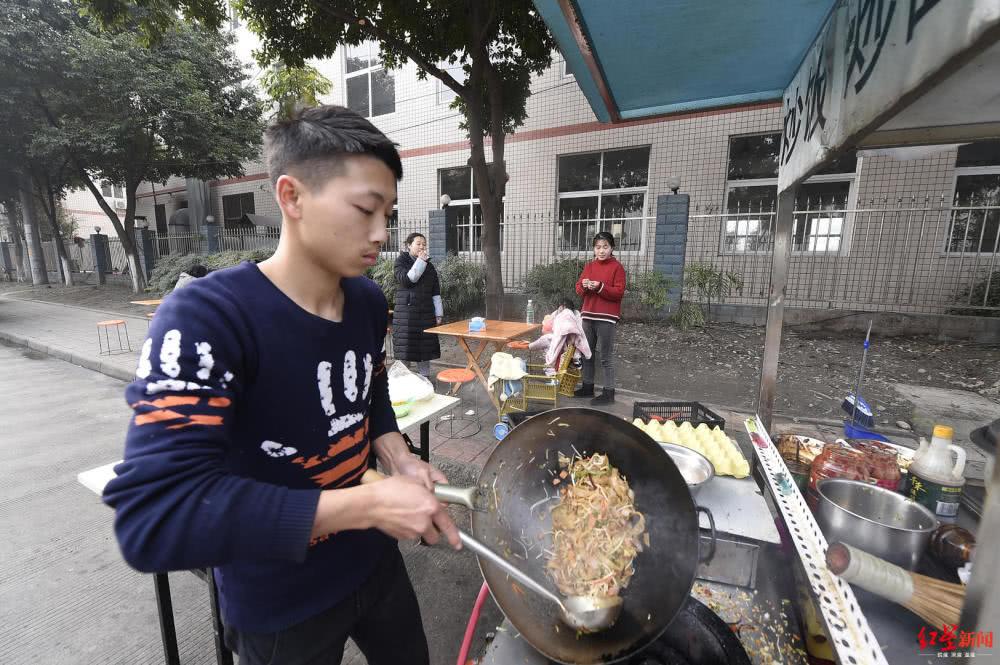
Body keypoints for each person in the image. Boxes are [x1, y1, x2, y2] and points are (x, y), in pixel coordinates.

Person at [101, 105, 460, 665]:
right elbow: (156, 515)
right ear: (291, 197)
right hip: (278, 601)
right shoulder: (209, 318)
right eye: (366, 209)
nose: (382, 234)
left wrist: (397, 453)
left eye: (388, 213)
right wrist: (364, 505)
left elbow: (368, 390)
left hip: (373, 563)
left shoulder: (365, 300)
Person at [574, 231, 626, 405]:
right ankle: (587, 386)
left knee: (606, 356)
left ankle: (609, 392)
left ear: (612, 248)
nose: (601, 251)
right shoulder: (589, 266)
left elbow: (618, 293)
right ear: (594, 249)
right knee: (586, 354)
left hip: (607, 318)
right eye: (598, 247)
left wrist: (600, 286)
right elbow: (579, 290)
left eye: (605, 247)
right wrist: (584, 285)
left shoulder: (617, 267)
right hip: (588, 315)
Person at [392, 233, 442, 378]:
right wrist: (420, 261)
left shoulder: (429, 266)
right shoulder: (401, 261)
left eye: (424, 244)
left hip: (426, 313)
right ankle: (402, 380)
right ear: (409, 245)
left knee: (424, 347)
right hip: (406, 314)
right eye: (418, 243)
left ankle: (425, 379)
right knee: (406, 348)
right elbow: (409, 280)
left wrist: (438, 313)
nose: (422, 246)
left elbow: (435, 290)